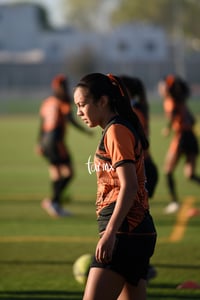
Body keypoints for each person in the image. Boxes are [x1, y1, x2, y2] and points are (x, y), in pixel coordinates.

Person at [74, 73, 157, 300]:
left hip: (125, 233)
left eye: (82, 105)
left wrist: (110, 233)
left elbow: (129, 186)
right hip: (136, 232)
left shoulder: (116, 130)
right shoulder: (116, 128)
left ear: (102, 101)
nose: (78, 112)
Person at [120, 75, 158, 281]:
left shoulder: (133, 111)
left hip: (142, 169)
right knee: (136, 219)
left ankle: (142, 266)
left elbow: (139, 143)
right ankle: (141, 266)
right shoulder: (138, 107)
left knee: (134, 220)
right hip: (145, 168)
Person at [36, 74, 90, 217]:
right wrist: (84, 130)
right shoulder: (63, 101)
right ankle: (53, 201)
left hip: (46, 141)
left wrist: (39, 143)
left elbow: (42, 125)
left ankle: (56, 205)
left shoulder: (47, 102)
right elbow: (70, 119)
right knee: (69, 173)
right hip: (55, 140)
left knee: (56, 174)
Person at [158, 74, 200, 214]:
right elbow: (192, 121)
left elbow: (173, 114)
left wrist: (168, 128)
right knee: (190, 174)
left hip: (182, 137)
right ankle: (174, 202)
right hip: (192, 138)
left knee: (168, 171)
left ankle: (174, 202)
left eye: (162, 86)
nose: (160, 89)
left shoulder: (170, 102)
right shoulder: (182, 101)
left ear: (166, 89)